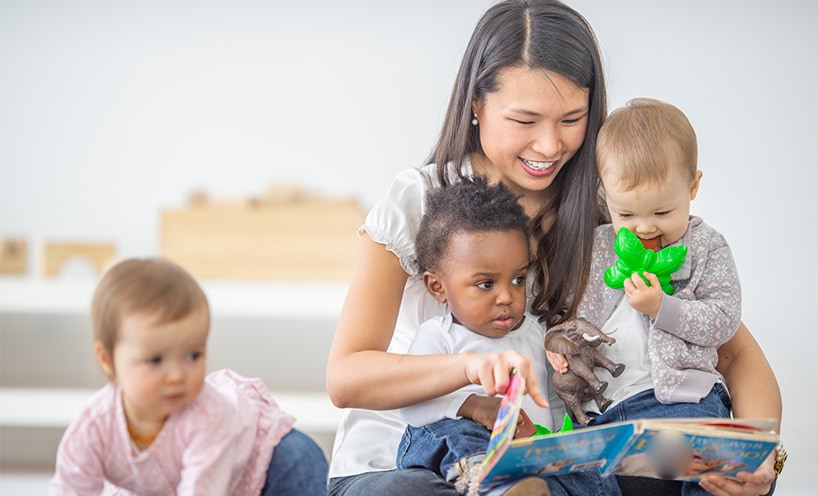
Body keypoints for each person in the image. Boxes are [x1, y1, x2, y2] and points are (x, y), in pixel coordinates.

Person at [325, 1, 782, 495]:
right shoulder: (420, 199)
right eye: (524, 120)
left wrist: (763, 457)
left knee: (689, 478)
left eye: (571, 119)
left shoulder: (617, 218)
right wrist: (469, 369)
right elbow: (348, 376)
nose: (548, 146)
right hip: (404, 456)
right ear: (476, 105)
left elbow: (732, 351)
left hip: (547, 457)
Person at [395, 177, 617, 495]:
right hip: (454, 450)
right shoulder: (438, 337)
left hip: (525, 449)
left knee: (590, 460)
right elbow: (411, 407)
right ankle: (493, 486)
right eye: (486, 284)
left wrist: (551, 439)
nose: (507, 297)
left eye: (518, 280)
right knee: (452, 432)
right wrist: (473, 406)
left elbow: (551, 400)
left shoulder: (532, 331)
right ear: (437, 287)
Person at [563, 98, 735, 495]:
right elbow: (574, 318)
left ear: (692, 186)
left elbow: (724, 318)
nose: (643, 228)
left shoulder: (706, 247)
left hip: (684, 400)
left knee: (709, 470)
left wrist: (663, 308)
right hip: (605, 412)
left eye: (661, 213)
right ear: (605, 196)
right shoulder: (596, 248)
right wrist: (562, 350)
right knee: (583, 479)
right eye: (626, 215)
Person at [50, 258, 329, 496]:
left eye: (193, 356)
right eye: (155, 360)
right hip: (173, 483)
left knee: (301, 459)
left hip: (263, 459)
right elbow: (71, 487)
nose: (176, 376)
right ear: (107, 359)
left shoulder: (206, 414)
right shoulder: (94, 427)